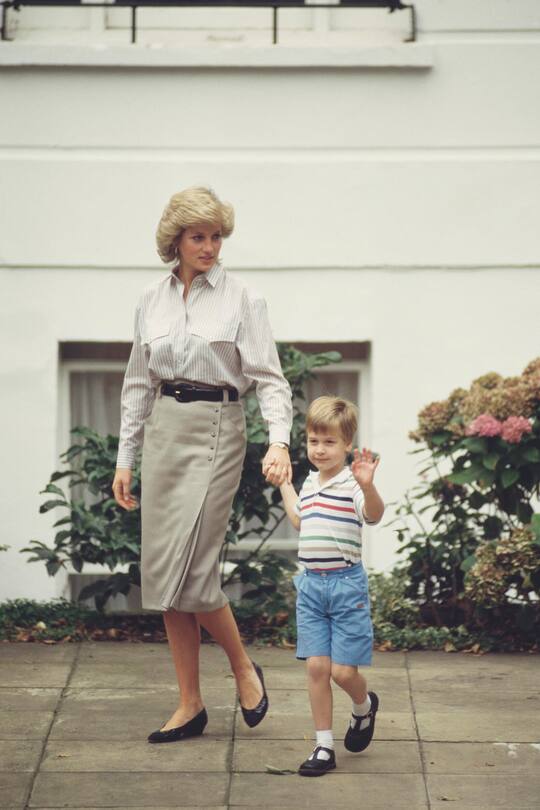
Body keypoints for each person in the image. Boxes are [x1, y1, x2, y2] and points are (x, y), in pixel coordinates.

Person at [112, 186, 293, 743]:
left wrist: (279, 442)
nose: (210, 247)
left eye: (216, 236)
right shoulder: (151, 298)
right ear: (176, 240)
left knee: (192, 572)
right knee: (163, 573)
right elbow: (138, 383)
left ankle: (242, 667)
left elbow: (269, 380)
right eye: (198, 237)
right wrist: (125, 458)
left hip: (218, 428)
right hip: (165, 431)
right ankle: (190, 704)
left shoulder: (243, 299)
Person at [279, 395, 384, 776]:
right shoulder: (310, 482)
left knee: (342, 673)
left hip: (345, 588)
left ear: (347, 444)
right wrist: (285, 483)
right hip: (310, 588)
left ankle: (364, 706)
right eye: (313, 441)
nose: (320, 449)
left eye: (329, 442)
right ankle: (324, 746)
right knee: (317, 668)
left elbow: (373, 515)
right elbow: (300, 520)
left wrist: (368, 486)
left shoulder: (352, 483)